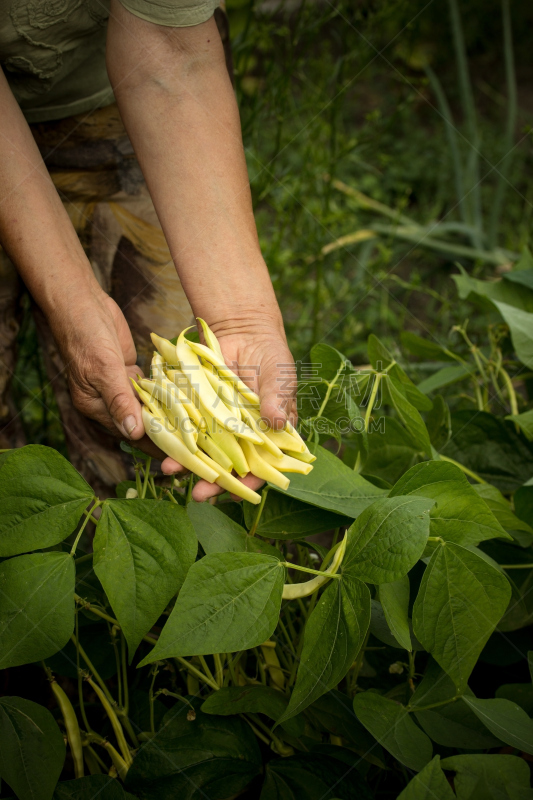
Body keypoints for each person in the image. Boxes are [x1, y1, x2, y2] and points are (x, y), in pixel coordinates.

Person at [0, 0, 296, 501]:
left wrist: (241, 319)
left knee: (151, 422)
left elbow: (173, 57)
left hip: (112, 88)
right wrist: (73, 302)